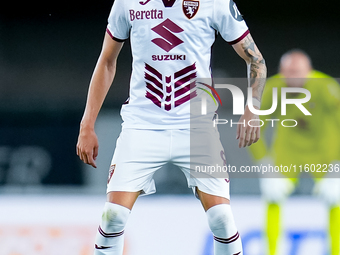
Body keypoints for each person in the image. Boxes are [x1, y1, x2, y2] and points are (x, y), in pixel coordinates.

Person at [76, 0, 266, 254]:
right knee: (113, 216)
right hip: (142, 125)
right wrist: (87, 124)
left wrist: (252, 108)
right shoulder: (127, 3)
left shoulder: (215, 3)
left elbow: (255, 59)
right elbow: (107, 61)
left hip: (196, 127)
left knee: (221, 218)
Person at [249, 49, 340, 255]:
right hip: (287, 153)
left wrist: (337, 165)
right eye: (288, 72)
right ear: (281, 72)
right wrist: (265, 164)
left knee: (336, 200)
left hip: (324, 153)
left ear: (309, 71)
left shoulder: (326, 87)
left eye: (298, 71)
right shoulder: (273, 88)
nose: (293, 77)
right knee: (272, 198)